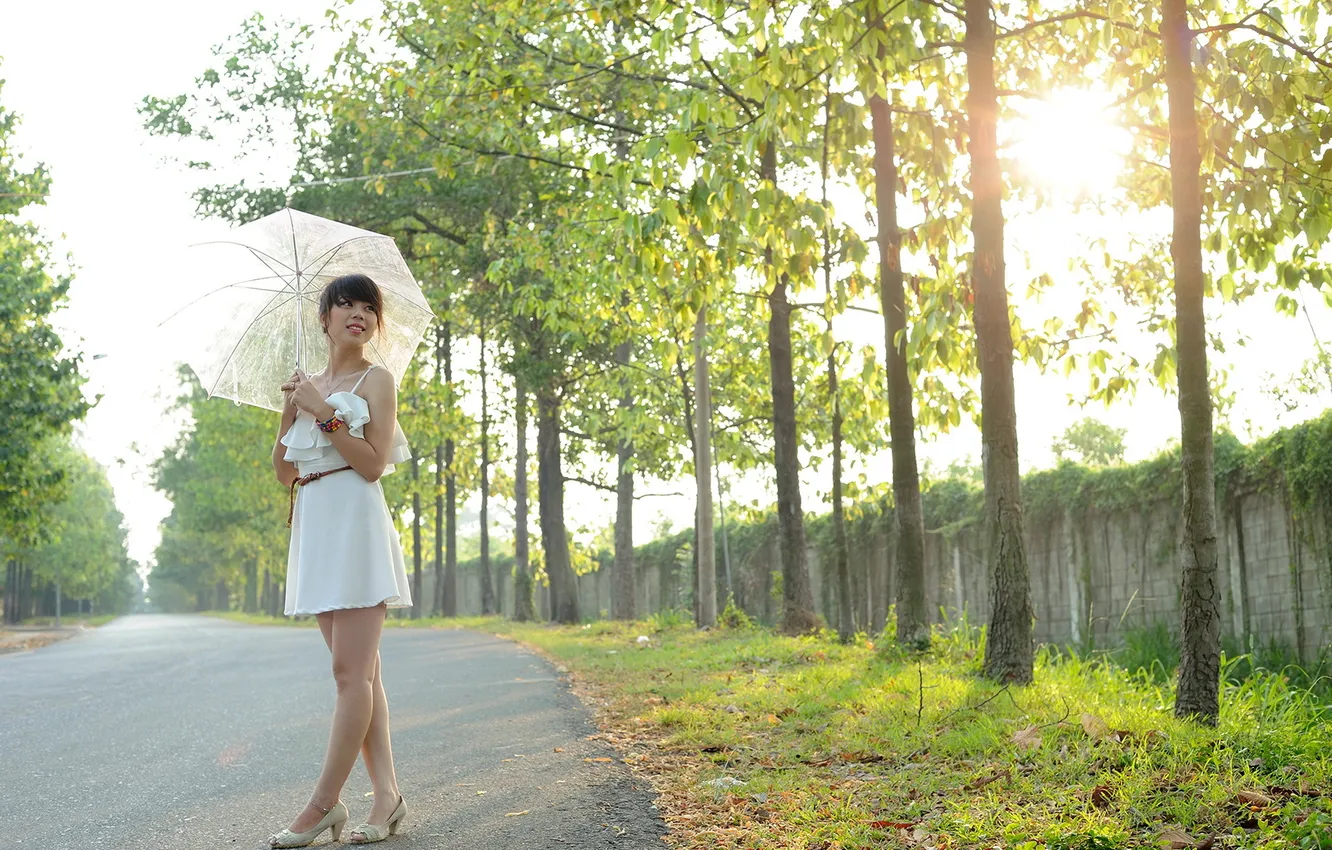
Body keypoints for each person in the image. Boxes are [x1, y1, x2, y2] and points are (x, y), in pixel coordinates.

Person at [268, 273, 413, 846]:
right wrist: (291, 413)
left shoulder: (378, 379)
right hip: (316, 524)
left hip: (355, 521)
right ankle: (388, 797)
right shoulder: (307, 386)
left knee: (348, 673)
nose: (357, 313)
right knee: (364, 674)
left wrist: (325, 412)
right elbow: (285, 473)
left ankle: (323, 804)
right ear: (323, 319)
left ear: (376, 323)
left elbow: (373, 463)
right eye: (344, 304)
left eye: (368, 308)